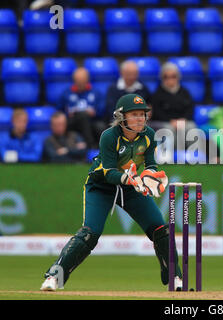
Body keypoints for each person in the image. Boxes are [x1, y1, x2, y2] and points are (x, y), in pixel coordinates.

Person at [40, 94, 183, 291]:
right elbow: (108, 172)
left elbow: (150, 164)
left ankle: (175, 278)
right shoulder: (109, 136)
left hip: (130, 187)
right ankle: (54, 277)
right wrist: (129, 178)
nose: (140, 118)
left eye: (142, 114)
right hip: (101, 186)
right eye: (134, 114)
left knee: (161, 229)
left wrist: (150, 176)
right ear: (121, 116)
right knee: (90, 233)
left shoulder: (149, 134)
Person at [58, 67, 106, 148]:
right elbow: (59, 110)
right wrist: (67, 114)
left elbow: (102, 110)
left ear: (87, 80)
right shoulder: (66, 93)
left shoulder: (96, 92)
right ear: (74, 81)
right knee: (82, 116)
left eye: (82, 82)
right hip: (73, 123)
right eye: (78, 82)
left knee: (100, 126)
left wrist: (95, 112)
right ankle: (90, 146)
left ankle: (101, 148)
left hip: (91, 121)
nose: (80, 84)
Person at [149, 62, 195, 139]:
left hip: (183, 121)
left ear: (178, 77)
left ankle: (195, 151)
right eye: (166, 77)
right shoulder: (157, 94)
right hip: (165, 122)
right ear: (162, 78)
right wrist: (171, 121)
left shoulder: (185, 92)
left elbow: (190, 109)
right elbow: (157, 112)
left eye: (173, 76)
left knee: (192, 128)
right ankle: (170, 151)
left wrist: (183, 120)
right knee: (168, 130)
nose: (170, 79)